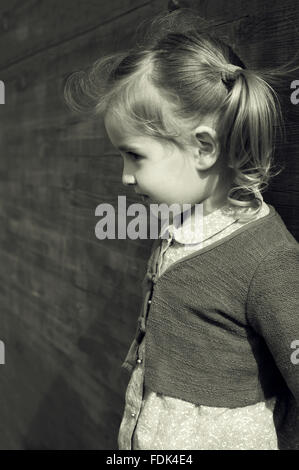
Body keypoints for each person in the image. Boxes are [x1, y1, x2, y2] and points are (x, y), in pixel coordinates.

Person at [64, 8, 299, 450]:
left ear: (204, 148)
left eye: (134, 155)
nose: (125, 177)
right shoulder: (181, 222)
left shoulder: (267, 259)